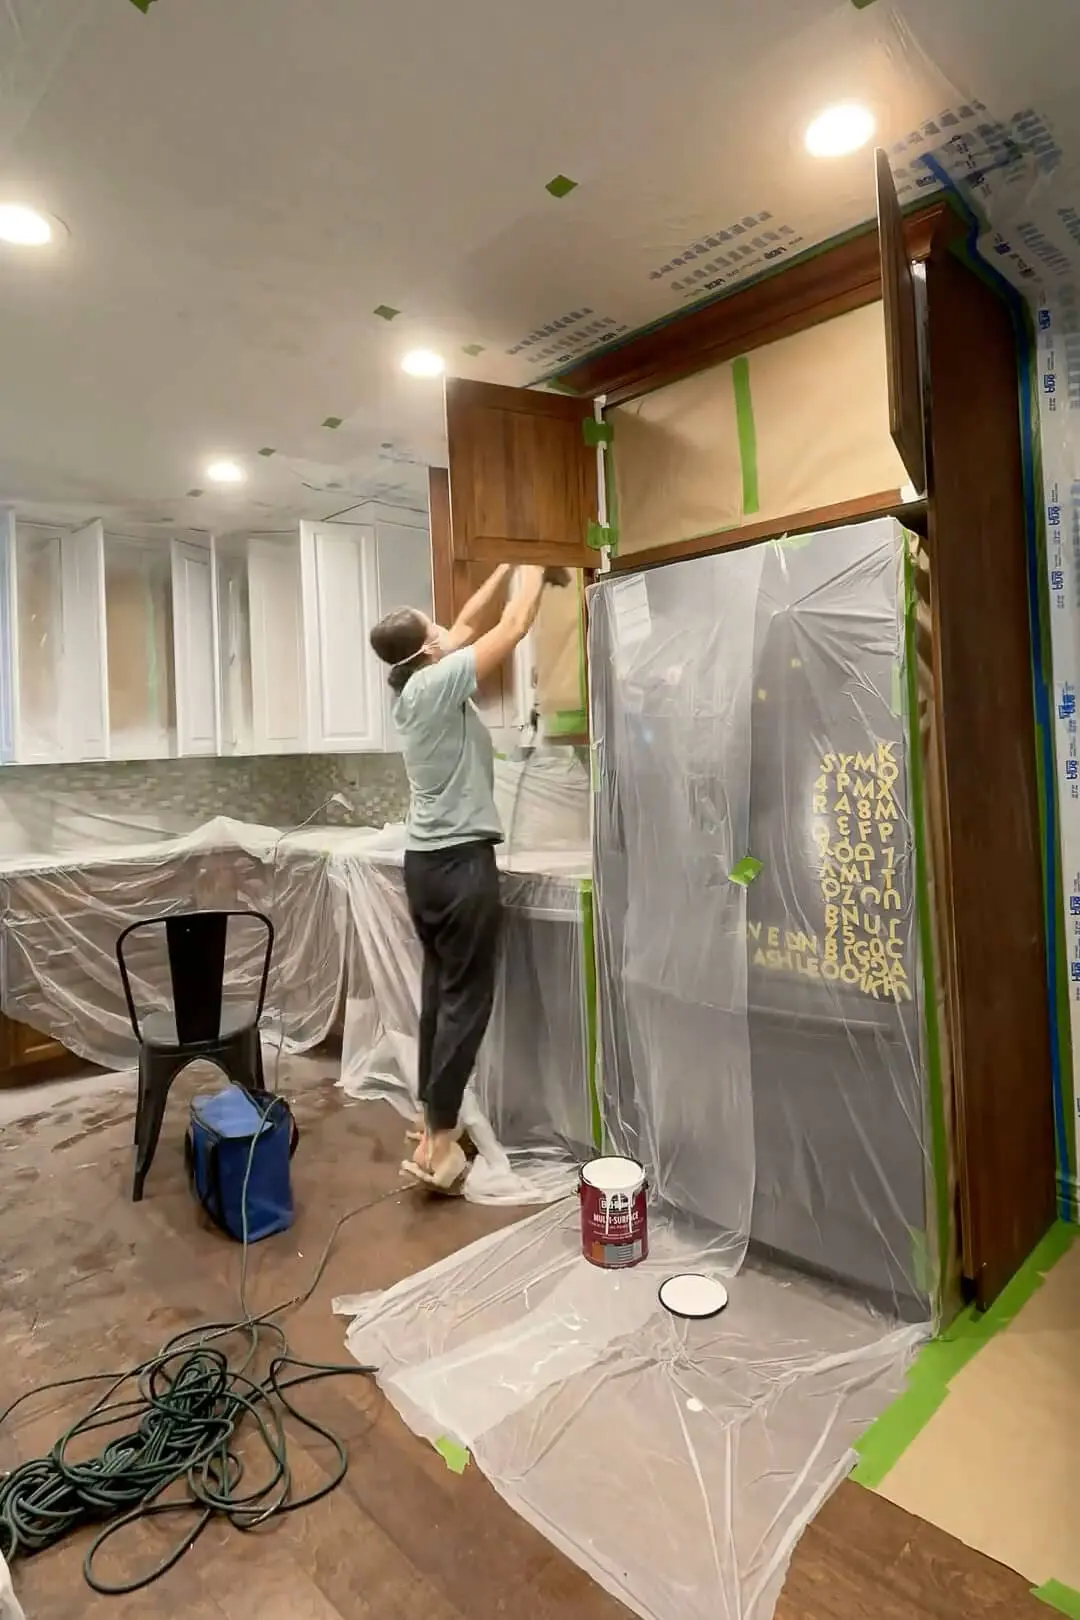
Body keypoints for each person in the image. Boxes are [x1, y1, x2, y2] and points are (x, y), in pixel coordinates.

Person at [369, 562, 568, 1191]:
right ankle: (442, 1138)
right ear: (428, 649)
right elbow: (509, 627)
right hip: (458, 866)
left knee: (441, 996)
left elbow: (464, 624)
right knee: (467, 999)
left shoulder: (410, 683)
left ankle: (432, 1117)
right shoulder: (434, 687)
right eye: (434, 627)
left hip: (426, 866)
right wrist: (535, 563)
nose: (445, 627)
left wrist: (504, 566)